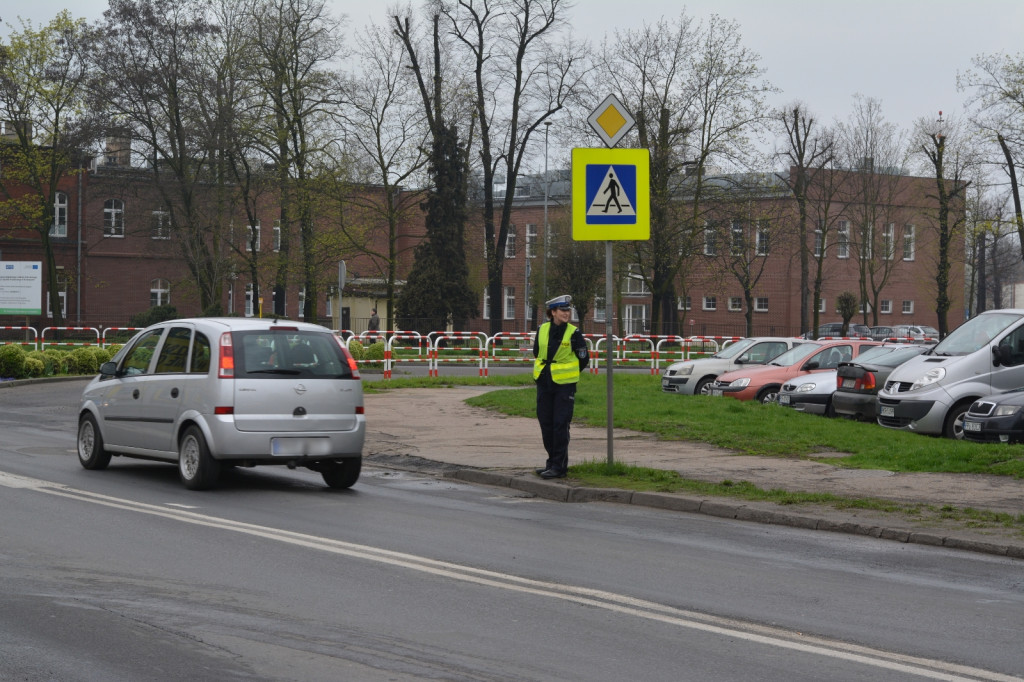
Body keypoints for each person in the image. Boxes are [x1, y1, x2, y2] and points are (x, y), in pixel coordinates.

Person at [532, 294, 589, 479]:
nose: (567, 313)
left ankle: (559, 467)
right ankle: (551, 463)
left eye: (568, 310)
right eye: (563, 310)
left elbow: (583, 359)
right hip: (544, 382)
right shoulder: (542, 329)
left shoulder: (574, 333)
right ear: (553, 312)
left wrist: (568, 373)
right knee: (546, 424)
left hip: (564, 386)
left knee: (560, 425)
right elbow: (536, 352)